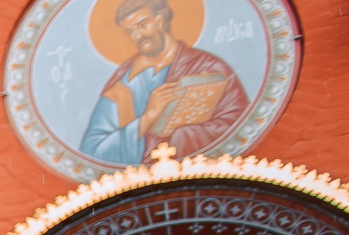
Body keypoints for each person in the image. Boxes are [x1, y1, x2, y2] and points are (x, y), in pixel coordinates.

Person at [79, 0, 248, 168]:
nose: (139, 35)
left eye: (143, 25)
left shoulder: (207, 67)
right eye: (130, 31)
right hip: (141, 186)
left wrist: (183, 136)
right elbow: (93, 149)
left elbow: (238, 121)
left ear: (160, 20)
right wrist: (148, 117)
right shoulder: (123, 85)